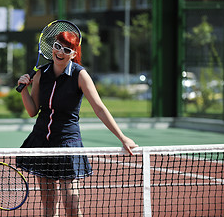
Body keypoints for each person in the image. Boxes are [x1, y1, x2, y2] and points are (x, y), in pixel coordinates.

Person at [17, 30, 138, 216]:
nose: (60, 52)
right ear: (52, 47)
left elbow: (99, 108)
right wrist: (24, 90)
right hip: (42, 140)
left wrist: (122, 137)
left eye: (67, 49)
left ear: (74, 54)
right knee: (48, 203)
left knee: (71, 203)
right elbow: (33, 111)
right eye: (58, 46)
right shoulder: (41, 74)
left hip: (67, 143)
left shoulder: (80, 75)